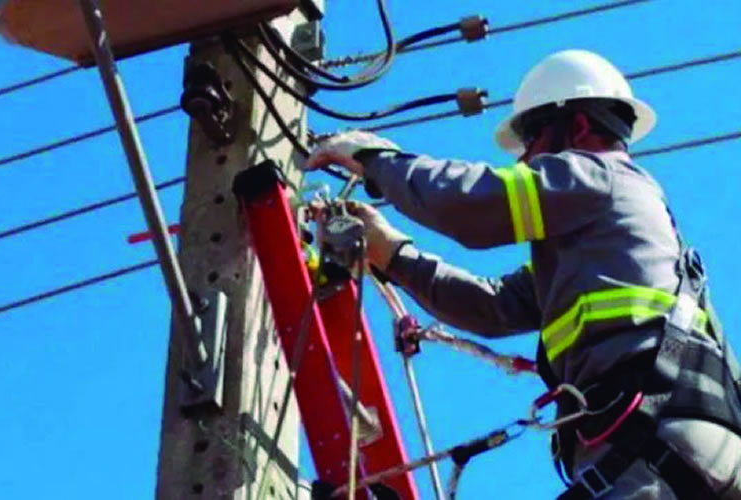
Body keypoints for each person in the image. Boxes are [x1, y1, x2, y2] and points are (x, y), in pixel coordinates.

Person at [305, 50, 741, 499]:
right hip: (684, 442)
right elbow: (492, 306)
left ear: (579, 125)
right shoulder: (603, 247)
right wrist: (394, 254)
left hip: (649, 435)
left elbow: (472, 203)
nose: (525, 160)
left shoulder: (598, 175)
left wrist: (378, 161)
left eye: (531, 140)